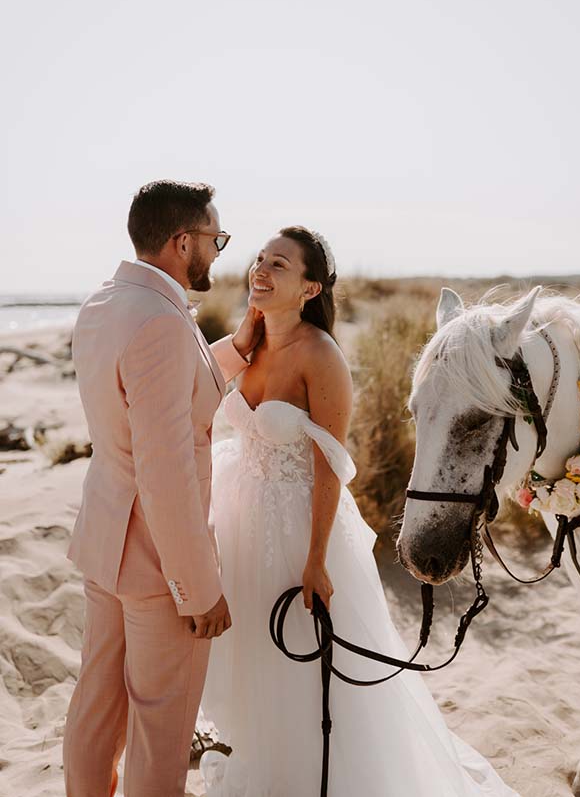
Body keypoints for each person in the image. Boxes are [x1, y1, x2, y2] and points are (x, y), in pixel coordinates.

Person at [199, 226, 519, 796]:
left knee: (302, 667)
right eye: (258, 260)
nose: (260, 271)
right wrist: (245, 336)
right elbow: (196, 384)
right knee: (255, 663)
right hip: (240, 519)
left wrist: (316, 560)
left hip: (299, 530)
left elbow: (329, 467)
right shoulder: (249, 345)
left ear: (310, 287)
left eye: (279, 264)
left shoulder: (321, 357)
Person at [63, 180, 262, 797]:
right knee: (160, 726)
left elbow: (162, 398)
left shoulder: (108, 301)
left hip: (104, 542)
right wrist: (198, 589)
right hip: (154, 564)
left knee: (96, 702)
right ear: (183, 241)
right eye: (215, 238)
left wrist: (234, 351)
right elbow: (166, 468)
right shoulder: (160, 321)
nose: (219, 250)